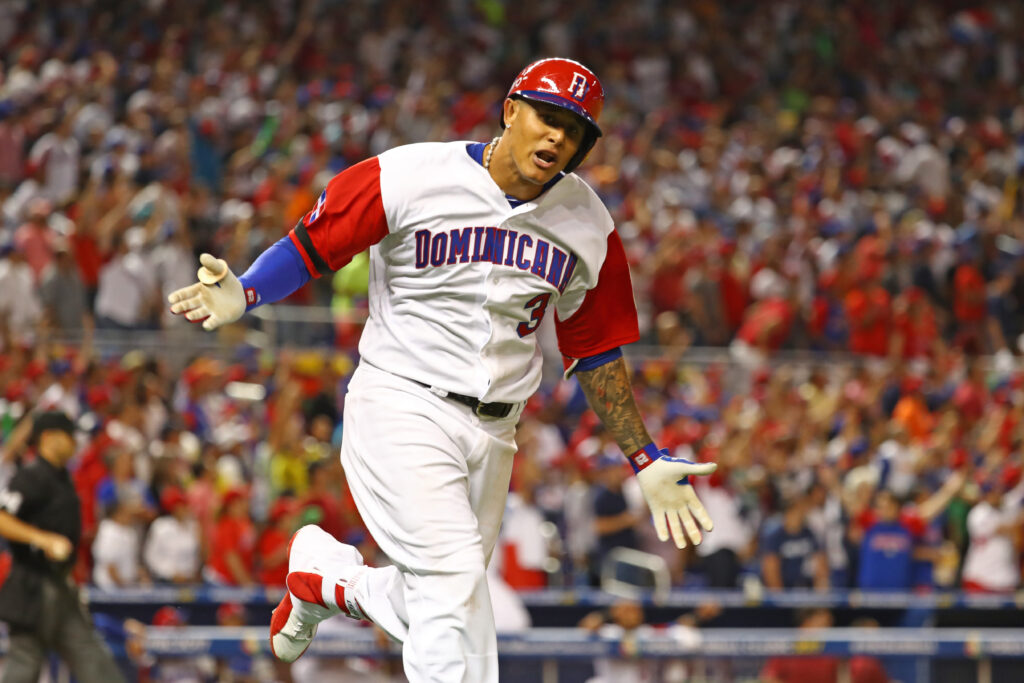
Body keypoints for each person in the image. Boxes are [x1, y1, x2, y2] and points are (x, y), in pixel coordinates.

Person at [169, 57, 717, 683]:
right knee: (456, 587)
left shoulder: (589, 225)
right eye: (548, 117)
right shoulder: (410, 174)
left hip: (494, 432)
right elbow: (314, 244)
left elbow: (594, 350)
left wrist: (643, 458)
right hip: (402, 401)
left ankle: (325, 580)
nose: (558, 137)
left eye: (576, 130)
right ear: (511, 110)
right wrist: (246, 292)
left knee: (441, 599)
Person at [0, 411, 125, 682]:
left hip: (60, 586)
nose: (74, 442)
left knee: (94, 661)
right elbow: (2, 518)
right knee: (25, 663)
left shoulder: (62, 477)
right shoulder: (31, 476)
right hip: (31, 588)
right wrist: (42, 538)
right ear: (48, 437)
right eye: (68, 435)